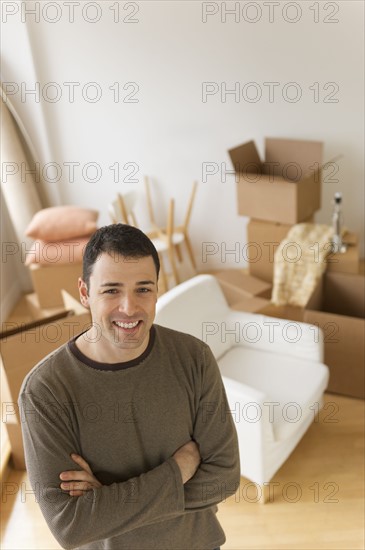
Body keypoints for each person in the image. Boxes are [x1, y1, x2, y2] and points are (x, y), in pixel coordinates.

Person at [19, 223, 240, 550]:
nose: (129, 307)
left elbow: (223, 477)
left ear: (156, 290)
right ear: (84, 293)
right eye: (111, 290)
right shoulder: (45, 391)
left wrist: (107, 502)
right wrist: (178, 471)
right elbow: (71, 525)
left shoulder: (194, 358)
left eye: (143, 289)